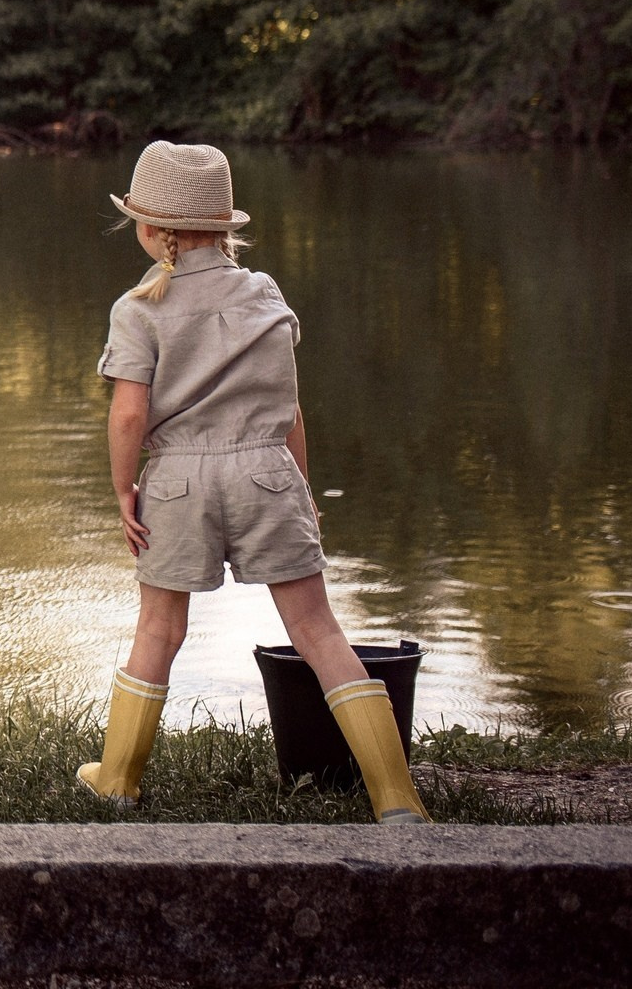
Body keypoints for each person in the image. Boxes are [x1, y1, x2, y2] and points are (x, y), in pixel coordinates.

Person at [81, 140, 428, 823]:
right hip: (268, 471)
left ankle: (117, 778)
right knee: (318, 630)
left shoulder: (137, 308)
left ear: (152, 232)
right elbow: (289, 407)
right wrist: (300, 487)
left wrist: (125, 490)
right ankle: (396, 796)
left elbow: (128, 415)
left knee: (159, 628)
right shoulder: (264, 293)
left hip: (179, 479)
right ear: (223, 227)